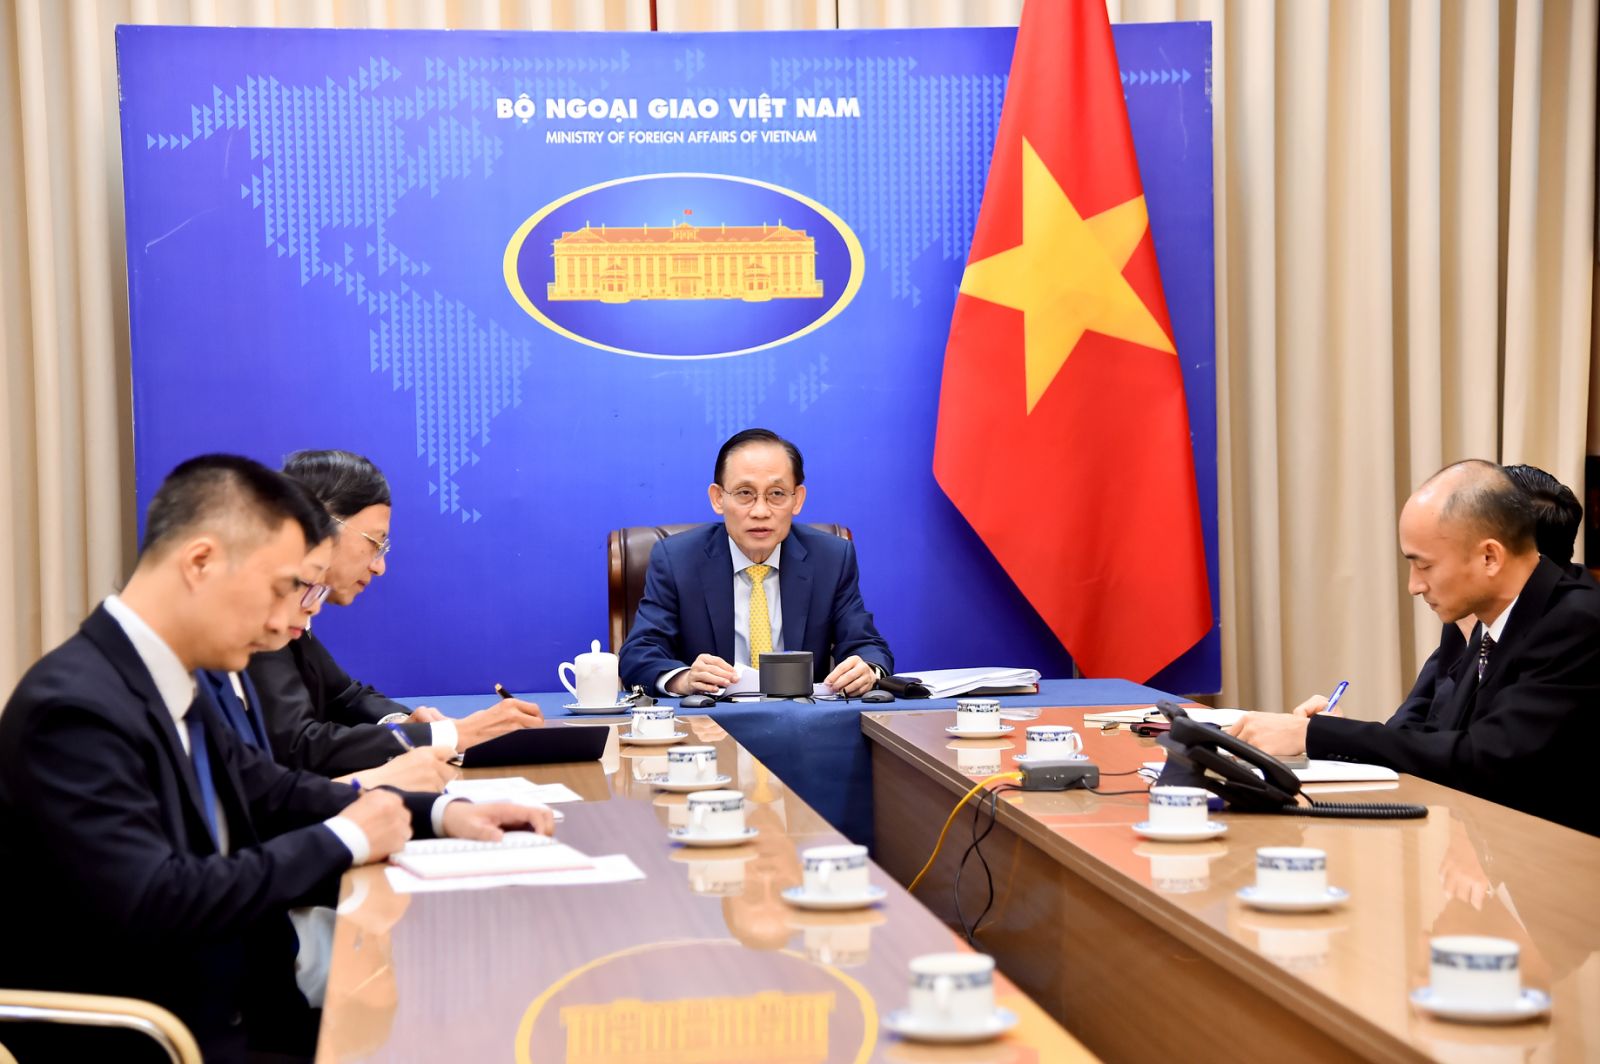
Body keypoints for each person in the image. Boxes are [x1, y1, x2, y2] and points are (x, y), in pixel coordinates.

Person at [0, 455, 554, 1062]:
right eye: (281, 589)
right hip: (173, 1036)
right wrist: (347, 836)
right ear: (201, 562)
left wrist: (440, 815)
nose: (281, 622)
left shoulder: (174, 677)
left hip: (252, 1002)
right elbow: (157, 899)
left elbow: (272, 790)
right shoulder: (74, 707)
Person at [1229, 460, 1600, 836]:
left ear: (1490, 557)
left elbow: (1486, 757)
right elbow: (1435, 739)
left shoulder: (1578, 622)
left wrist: (1314, 735)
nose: (1414, 586)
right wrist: (1329, 733)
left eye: (1424, 566)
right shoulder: (1490, 620)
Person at [247, 450, 543, 777]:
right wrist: (451, 734)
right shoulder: (257, 617)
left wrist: (404, 723)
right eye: (375, 543)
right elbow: (298, 746)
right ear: (318, 526)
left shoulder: (292, 612)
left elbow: (344, 697)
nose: (380, 567)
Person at [619, 428, 893, 697]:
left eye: (776, 493)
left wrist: (867, 670)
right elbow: (639, 653)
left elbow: (867, 645)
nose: (760, 511)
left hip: (802, 718)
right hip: (712, 719)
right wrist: (684, 679)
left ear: (797, 500)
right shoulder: (677, 560)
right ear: (718, 498)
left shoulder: (831, 558)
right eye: (744, 493)